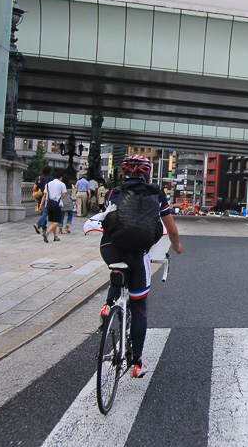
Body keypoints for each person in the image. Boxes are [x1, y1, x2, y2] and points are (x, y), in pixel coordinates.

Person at [99, 155, 183, 378]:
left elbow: (108, 219)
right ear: (147, 174)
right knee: (138, 305)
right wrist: (176, 245)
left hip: (109, 248)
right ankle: (137, 364)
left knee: (117, 267)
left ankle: (108, 304)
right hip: (137, 252)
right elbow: (171, 229)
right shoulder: (156, 193)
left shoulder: (113, 192)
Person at [40, 170, 67, 243]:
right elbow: (64, 196)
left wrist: (41, 204)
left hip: (48, 204)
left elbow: (44, 195)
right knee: (57, 221)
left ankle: (55, 236)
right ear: (61, 177)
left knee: (53, 221)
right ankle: (47, 233)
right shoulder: (62, 184)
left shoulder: (48, 184)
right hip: (57, 204)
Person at [33, 165, 54, 235]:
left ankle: (44, 229)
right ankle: (38, 224)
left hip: (40, 197)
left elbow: (34, 188)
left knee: (43, 213)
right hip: (47, 197)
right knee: (45, 213)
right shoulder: (51, 179)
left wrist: (36, 193)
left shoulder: (39, 178)